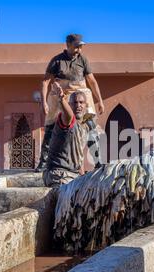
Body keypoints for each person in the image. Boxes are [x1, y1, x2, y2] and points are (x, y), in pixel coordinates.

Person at [36, 33, 105, 171]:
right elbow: (45, 81)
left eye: (81, 47)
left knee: (90, 124)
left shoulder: (83, 60)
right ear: (68, 45)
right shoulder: (57, 61)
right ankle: (43, 163)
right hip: (61, 94)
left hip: (81, 93)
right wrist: (44, 102)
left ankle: (98, 162)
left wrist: (100, 101)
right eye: (76, 46)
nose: (79, 49)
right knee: (51, 126)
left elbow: (91, 80)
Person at [42, 83, 93, 188]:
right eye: (74, 103)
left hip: (73, 175)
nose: (78, 105)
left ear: (86, 106)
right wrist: (61, 98)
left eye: (81, 102)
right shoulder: (66, 120)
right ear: (69, 105)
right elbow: (69, 115)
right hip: (59, 175)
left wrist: (83, 178)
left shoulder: (83, 128)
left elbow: (79, 159)